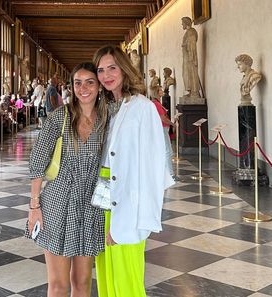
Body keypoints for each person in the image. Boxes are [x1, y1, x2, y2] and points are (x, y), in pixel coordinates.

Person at [93, 45, 174, 297]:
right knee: (106, 272)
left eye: (112, 68)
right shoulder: (108, 107)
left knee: (126, 278)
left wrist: (137, 218)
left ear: (125, 69)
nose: (106, 75)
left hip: (127, 202)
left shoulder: (142, 107)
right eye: (100, 70)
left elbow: (152, 167)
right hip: (103, 197)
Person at [26, 62, 107, 297]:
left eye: (90, 82)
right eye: (78, 82)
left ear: (99, 86)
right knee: (58, 284)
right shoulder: (59, 118)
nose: (83, 88)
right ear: (71, 86)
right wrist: (34, 206)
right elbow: (38, 163)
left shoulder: (107, 118)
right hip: (58, 204)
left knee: (82, 283)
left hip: (91, 205)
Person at [156, 86, 175, 177]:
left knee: (167, 150)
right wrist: (173, 124)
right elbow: (163, 118)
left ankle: (167, 172)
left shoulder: (157, 103)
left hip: (163, 128)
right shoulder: (156, 103)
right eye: (160, 90)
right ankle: (170, 174)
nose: (162, 91)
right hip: (162, 128)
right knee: (167, 151)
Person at [181, 16, 201, 98]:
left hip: (190, 58)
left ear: (186, 23)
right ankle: (190, 91)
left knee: (191, 73)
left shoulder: (191, 32)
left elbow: (192, 45)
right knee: (186, 74)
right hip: (186, 57)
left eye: (182, 23)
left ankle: (195, 92)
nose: (182, 24)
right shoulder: (188, 32)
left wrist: (191, 57)